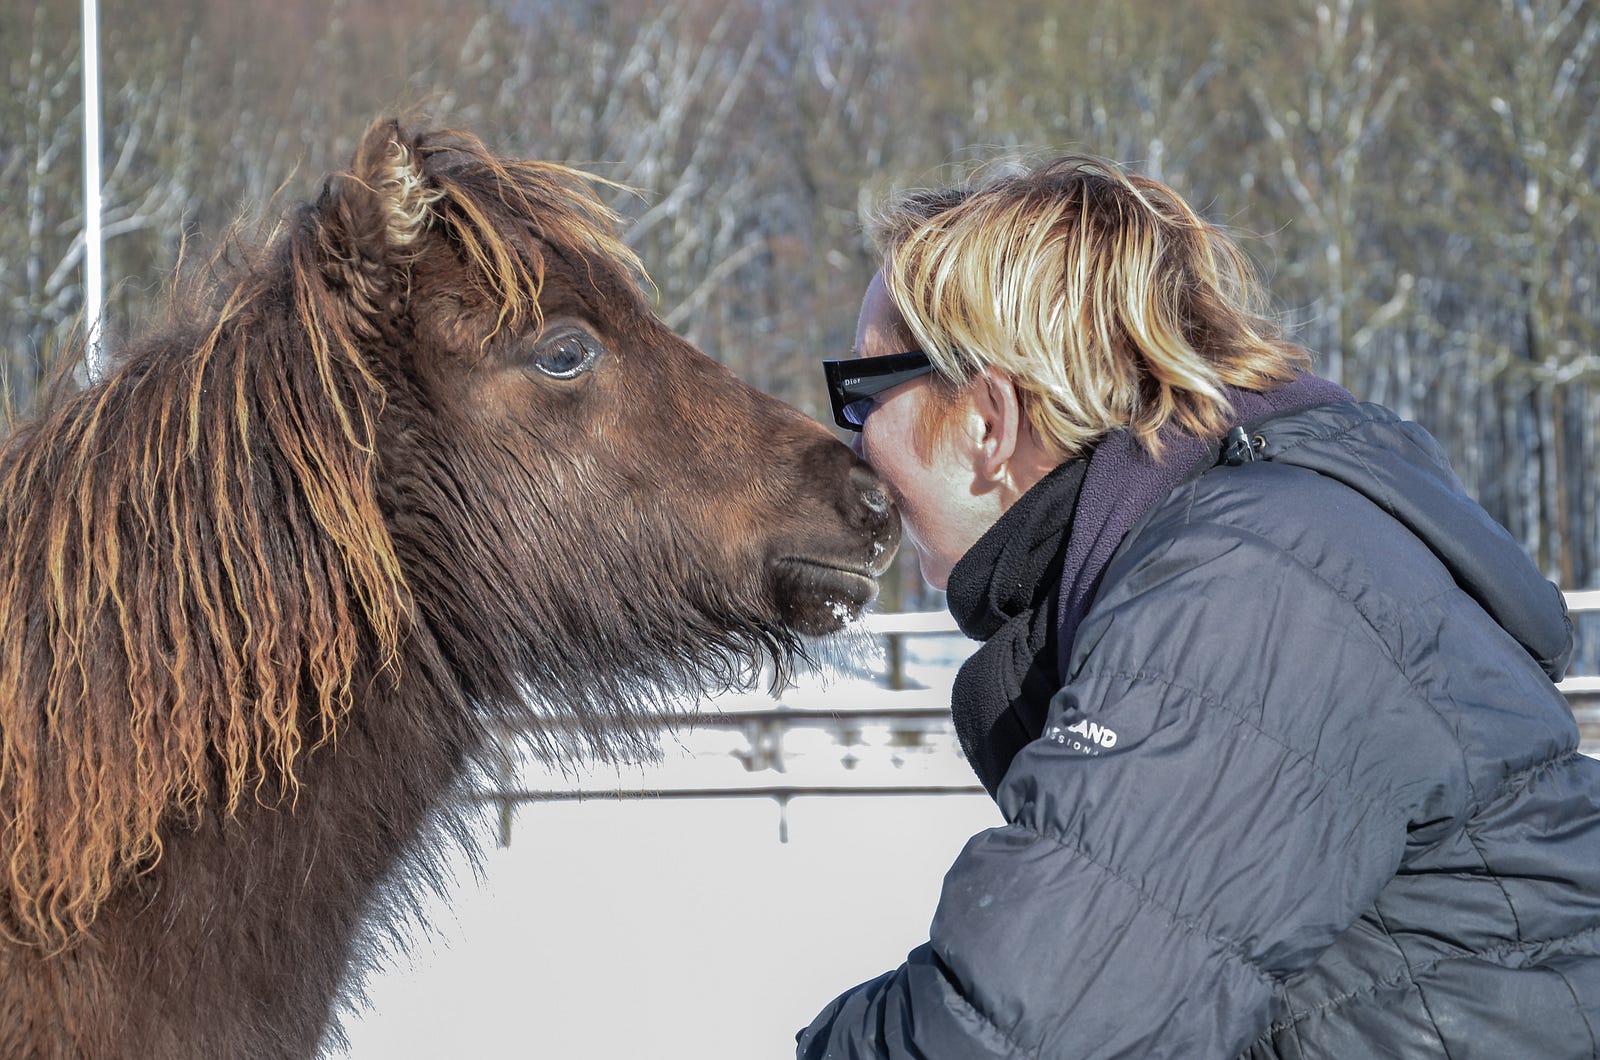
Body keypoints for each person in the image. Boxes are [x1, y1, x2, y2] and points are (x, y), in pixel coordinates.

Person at [800, 157, 1599, 1059]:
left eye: (862, 395)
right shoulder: (1238, 546)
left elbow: (1030, 1027)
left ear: (989, 420)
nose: (853, 443)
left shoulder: (1249, 583)